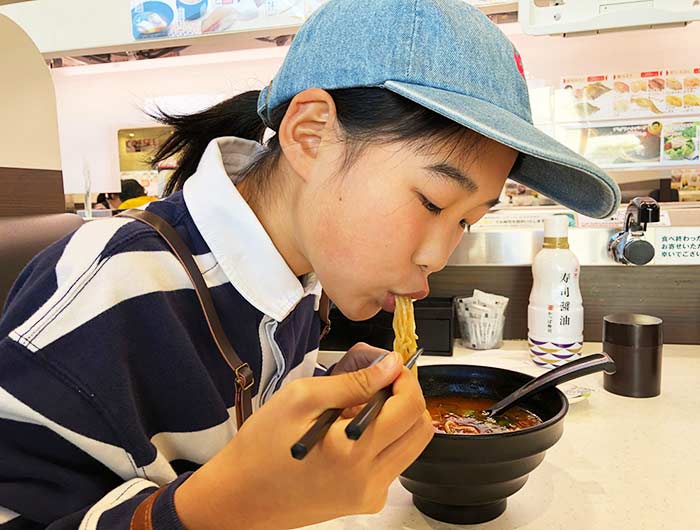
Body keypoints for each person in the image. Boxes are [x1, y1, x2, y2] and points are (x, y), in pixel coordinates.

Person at [0, 1, 620, 529]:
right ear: (311, 135)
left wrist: (320, 381)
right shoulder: (104, 289)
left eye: (465, 222)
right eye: (432, 201)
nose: (437, 257)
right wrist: (221, 507)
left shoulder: (299, 282)